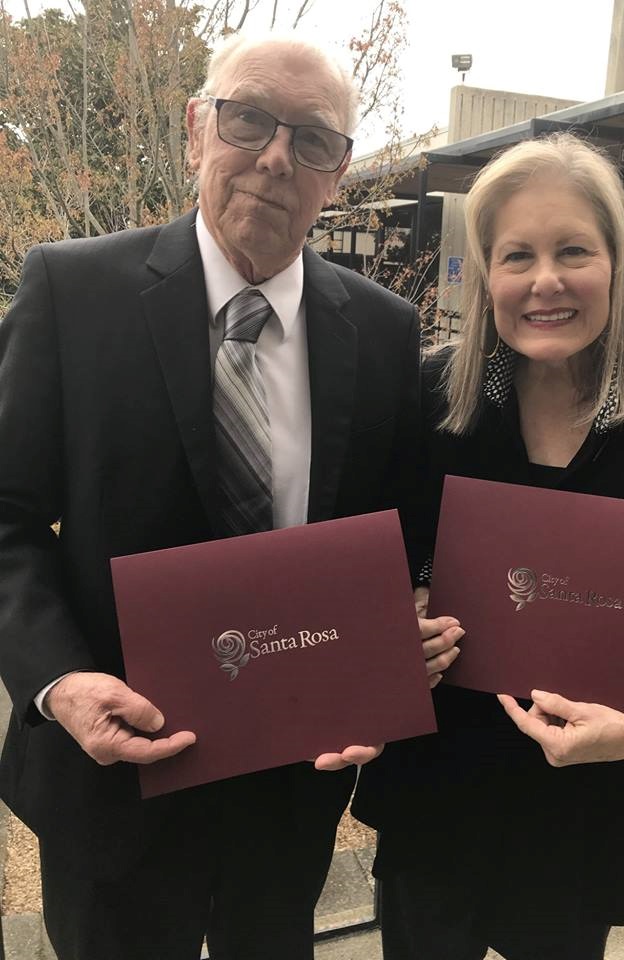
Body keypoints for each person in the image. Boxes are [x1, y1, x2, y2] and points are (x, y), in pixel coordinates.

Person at [0, 33, 459, 960]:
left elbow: (399, 541)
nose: (276, 156)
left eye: (314, 139)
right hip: (113, 780)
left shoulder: (383, 332)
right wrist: (57, 682)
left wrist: (391, 647)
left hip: (290, 790)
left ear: (340, 173)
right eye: (248, 118)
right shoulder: (71, 290)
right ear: (195, 129)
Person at [353, 134, 624, 960]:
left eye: (572, 249)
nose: (545, 280)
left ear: (616, 262)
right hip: (440, 792)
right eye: (517, 256)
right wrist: (401, 615)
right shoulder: (433, 399)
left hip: (585, 809)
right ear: (484, 276)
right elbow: (382, 570)